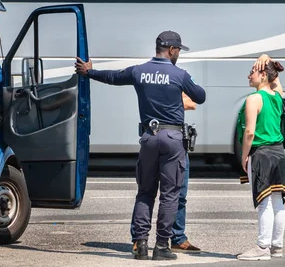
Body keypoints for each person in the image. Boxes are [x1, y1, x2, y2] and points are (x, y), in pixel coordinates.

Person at [75, 30, 206, 261]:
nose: (178, 55)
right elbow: (200, 96)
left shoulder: (139, 71)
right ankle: (162, 246)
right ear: (172, 50)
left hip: (148, 137)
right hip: (173, 139)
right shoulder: (180, 74)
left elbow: (113, 77)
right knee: (170, 194)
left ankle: (140, 244)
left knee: (145, 192)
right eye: (178, 51)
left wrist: (89, 72)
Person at [130, 92, 202, 255]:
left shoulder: (179, 77)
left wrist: (162, 103)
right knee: (146, 192)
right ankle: (138, 238)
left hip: (177, 140)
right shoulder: (154, 78)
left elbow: (192, 103)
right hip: (157, 138)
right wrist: (174, 102)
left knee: (179, 194)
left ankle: (177, 238)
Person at [235, 60, 285, 261]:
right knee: (277, 201)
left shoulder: (254, 99)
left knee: (263, 202)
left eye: (252, 72)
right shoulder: (277, 95)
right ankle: (277, 246)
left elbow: (249, 132)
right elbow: (277, 79)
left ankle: (262, 247)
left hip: (261, 154)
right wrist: (266, 57)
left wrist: (244, 156)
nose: (249, 76)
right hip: (278, 154)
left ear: (263, 75)